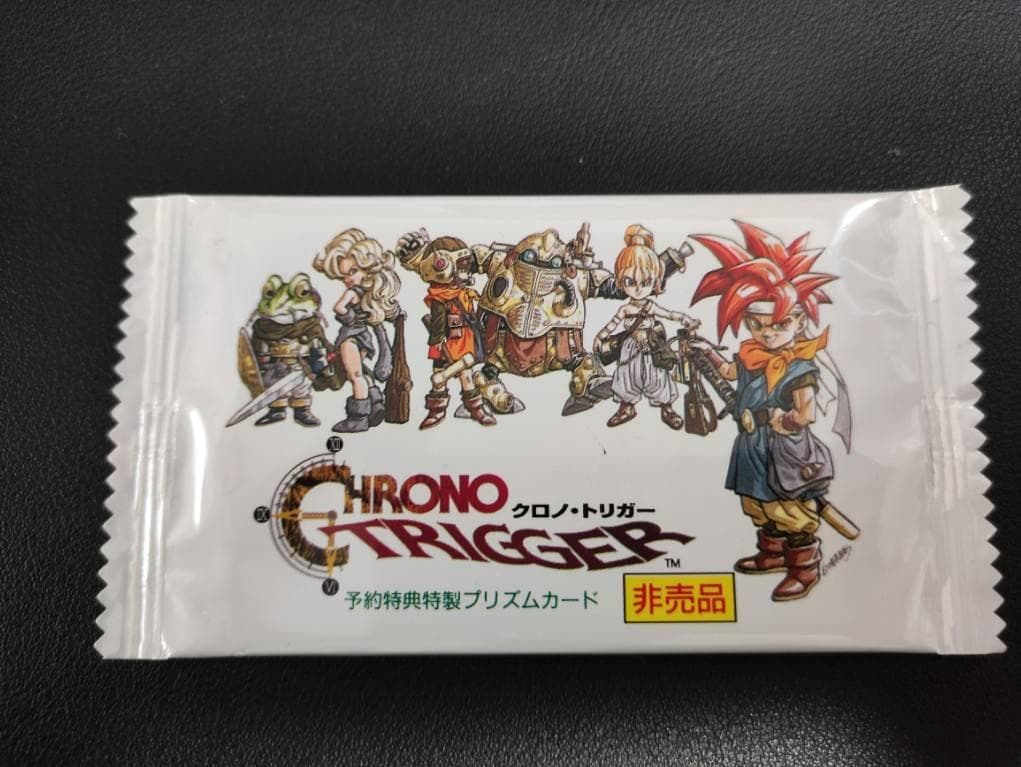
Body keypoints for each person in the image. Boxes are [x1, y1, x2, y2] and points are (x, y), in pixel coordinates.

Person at [690, 221, 845, 601]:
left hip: (785, 449)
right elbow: (731, 372)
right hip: (751, 444)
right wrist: (703, 353)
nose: (768, 333)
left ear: (798, 321)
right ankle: (772, 555)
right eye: (757, 325)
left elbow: (806, 413)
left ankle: (804, 568)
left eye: (779, 324)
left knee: (790, 511)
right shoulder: (751, 354)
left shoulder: (799, 367)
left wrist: (785, 420)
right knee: (758, 504)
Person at [593, 225, 699, 430]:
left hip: (651, 346)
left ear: (656, 282)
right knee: (626, 376)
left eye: (646, 282)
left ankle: (667, 408)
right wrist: (600, 336)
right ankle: (626, 407)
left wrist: (686, 319)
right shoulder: (626, 309)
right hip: (629, 347)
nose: (638, 288)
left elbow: (669, 314)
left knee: (658, 376)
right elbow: (612, 324)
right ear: (621, 281)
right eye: (630, 281)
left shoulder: (650, 306)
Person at [313, 228, 403, 433]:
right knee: (361, 371)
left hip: (351, 338)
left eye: (352, 272)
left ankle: (358, 417)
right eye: (344, 275)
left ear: (366, 268)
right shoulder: (369, 294)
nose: (347, 279)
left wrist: (347, 317)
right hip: (364, 338)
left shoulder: (353, 293)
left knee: (355, 375)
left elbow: (338, 308)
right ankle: (376, 403)